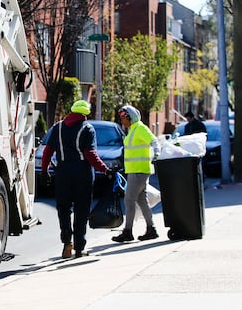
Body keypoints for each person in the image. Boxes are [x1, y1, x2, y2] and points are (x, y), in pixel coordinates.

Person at [40, 100, 113, 259]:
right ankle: (79, 248)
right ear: (85, 114)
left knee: (64, 209)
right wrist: (105, 169)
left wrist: (45, 170)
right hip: (82, 174)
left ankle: (67, 243)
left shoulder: (58, 127)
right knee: (81, 210)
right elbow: (90, 155)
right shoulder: (87, 128)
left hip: (62, 173)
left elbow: (48, 151)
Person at [112, 105, 161, 243]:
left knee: (129, 200)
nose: (122, 121)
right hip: (136, 170)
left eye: (123, 118)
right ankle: (151, 229)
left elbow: (154, 140)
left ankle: (127, 231)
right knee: (141, 200)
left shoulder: (140, 128)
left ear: (130, 117)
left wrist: (157, 153)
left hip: (138, 170)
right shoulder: (132, 129)